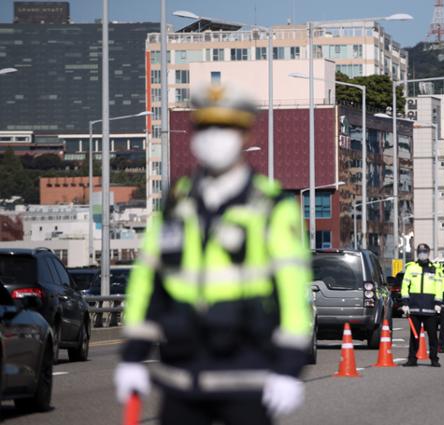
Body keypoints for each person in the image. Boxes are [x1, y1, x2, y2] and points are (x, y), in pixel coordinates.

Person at [113, 84, 313, 425]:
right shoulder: (177, 204)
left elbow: (293, 291)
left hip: (245, 375)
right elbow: (149, 283)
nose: (213, 137)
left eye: (224, 128)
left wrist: (289, 365)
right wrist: (133, 355)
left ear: (243, 134)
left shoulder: (270, 207)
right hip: (181, 378)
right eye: (205, 128)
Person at [401, 243, 442, 367]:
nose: (422, 254)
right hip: (414, 308)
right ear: (417, 253)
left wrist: (438, 303)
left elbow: (439, 287)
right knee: (414, 336)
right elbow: (405, 286)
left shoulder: (435, 268)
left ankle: (434, 359)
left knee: (433, 336)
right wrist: (405, 303)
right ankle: (412, 359)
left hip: (430, 309)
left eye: (424, 252)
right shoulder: (411, 267)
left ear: (428, 253)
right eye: (420, 252)